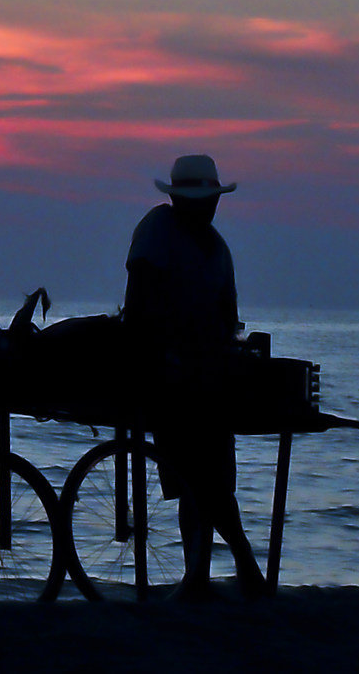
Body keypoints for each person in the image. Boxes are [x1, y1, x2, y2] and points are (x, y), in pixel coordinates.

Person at [124, 154, 268, 601]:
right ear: (179, 199)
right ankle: (239, 563)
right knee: (196, 475)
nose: (206, 207)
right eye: (199, 199)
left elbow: (228, 318)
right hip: (166, 374)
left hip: (209, 375)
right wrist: (157, 357)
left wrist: (230, 354)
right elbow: (139, 301)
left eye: (209, 200)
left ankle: (199, 576)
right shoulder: (157, 230)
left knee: (210, 481)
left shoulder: (217, 249)